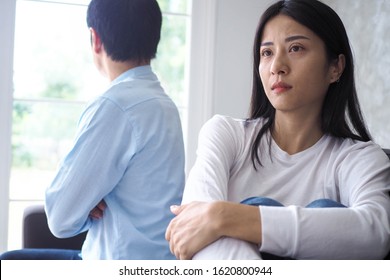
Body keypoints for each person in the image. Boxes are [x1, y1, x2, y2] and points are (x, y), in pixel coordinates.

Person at [165, 0, 390, 260]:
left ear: (335, 67)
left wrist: (225, 216)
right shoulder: (225, 135)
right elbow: (193, 235)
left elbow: (375, 235)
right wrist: (227, 221)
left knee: (324, 209)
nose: (277, 67)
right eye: (267, 53)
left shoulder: (360, 159)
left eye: (296, 48)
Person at [1, 0, 185, 260]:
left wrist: (86, 200)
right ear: (154, 36)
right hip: (156, 262)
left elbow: (60, 217)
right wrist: (88, 199)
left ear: (95, 39)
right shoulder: (166, 106)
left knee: (8, 262)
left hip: (112, 263)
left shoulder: (114, 106)